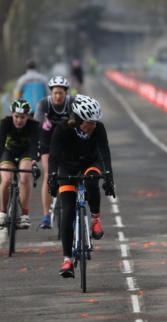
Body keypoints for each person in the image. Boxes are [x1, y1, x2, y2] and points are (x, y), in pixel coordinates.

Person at [47, 94, 115, 278]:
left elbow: (104, 153)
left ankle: (95, 219)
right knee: (68, 210)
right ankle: (67, 259)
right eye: (89, 123)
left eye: (95, 122)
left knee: (92, 179)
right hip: (67, 167)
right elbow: (53, 156)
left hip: (89, 164)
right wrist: (52, 178)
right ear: (78, 120)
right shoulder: (62, 129)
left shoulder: (98, 128)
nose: (93, 126)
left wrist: (109, 177)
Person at [0, 99, 40, 230]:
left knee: (25, 177)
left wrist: (34, 163)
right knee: (6, 180)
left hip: (26, 153)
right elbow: (0, 144)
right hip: (8, 152)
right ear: (12, 115)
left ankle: (24, 214)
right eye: (16, 116)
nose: (19, 120)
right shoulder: (5, 122)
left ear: (28, 116)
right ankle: (3, 212)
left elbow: (34, 146)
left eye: (22, 117)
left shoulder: (34, 125)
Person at [34, 75, 73, 229]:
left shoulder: (72, 103)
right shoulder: (44, 103)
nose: (57, 96)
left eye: (61, 93)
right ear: (51, 93)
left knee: (69, 172)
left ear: (66, 93)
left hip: (66, 141)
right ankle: (46, 215)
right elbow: (36, 125)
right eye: (55, 93)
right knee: (48, 173)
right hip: (47, 142)